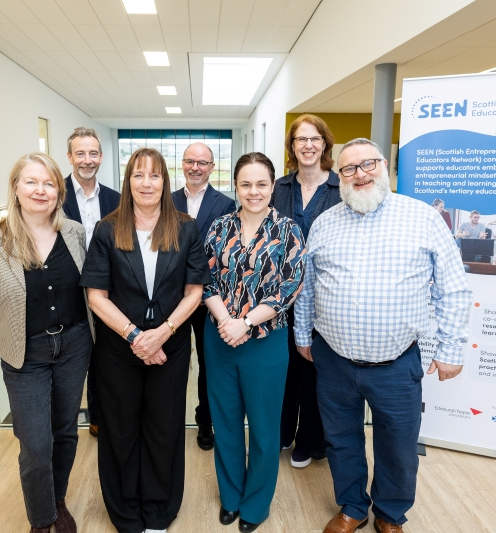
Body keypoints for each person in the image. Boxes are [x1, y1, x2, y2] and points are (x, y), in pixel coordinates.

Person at [294, 138, 471, 533]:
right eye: (349, 169)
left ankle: (390, 515)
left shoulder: (422, 218)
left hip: (396, 363)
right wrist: (303, 335)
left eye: (367, 164)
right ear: (338, 176)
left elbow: (453, 288)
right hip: (334, 360)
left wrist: (452, 348)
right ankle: (353, 507)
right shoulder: (325, 223)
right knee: (342, 441)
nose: (359, 175)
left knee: (399, 448)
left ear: (385, 165)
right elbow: (307, 288)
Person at [80, 147, 210, 533]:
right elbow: (95, 296)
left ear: (165, 181)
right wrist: (137, 337)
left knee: (164, 427)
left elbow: (195, 291)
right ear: (128, 182)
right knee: (120, 429)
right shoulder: (108, 228)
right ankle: (125, 510)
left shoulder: (185, 227)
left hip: (170, 346)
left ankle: (159, 508)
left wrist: (163, 333)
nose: (147, 183)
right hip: (119, 349)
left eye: (154, 175)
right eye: (138, 175)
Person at [0, 152, 94, 533]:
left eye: (49, 183)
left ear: (59, 191)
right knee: (36, 444)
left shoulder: (74, 232)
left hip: (75, 346)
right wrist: (5, 338)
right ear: (16, 189)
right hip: (26, 354)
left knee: (66, 432)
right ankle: (41, 520)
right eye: (31, 182)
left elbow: (88, 290)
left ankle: (57, 500)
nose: (40, 190)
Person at [204, 152, 305, 532]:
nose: (253, 191)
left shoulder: (289, 231)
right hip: (221, 341)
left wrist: (245, 322)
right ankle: (230, 497)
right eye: (245, 184)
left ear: (273, 185)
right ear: (235, 186)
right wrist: (227, 321)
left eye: (261, 184)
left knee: (264, 430)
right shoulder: (218, 227)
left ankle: (255, 505)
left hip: (265, 344)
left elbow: (289, 287)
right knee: (226, 423)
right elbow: (205, 279)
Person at [272, 114, 340, 470]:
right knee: (284, 370)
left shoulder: (341, 189)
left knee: (316, 372)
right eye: (301, 139)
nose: (308, 146)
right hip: (280, 301)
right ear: (292, 146)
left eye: (314, 139)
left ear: (325, 145)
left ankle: (310, 440)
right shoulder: (279, 188)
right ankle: (281, 432)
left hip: (326, 300)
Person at [171, 141, 236, 451]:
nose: (195, 167)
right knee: (173, 360)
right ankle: (168, 421)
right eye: (189, 161)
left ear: (212, 167)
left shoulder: (226, 204)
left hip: (211, 298)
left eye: (202, 162)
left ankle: (205, 422)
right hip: (172, 297)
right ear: (182, 165)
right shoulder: (165, 201)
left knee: (209, 363)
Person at [62, 127, 121, 439]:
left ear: (101, 156)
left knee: (103, 359)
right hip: (65, 292)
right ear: (70, 157)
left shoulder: (116, 199)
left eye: (93, 153)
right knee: (72, 361)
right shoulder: (53, 195)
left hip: (106, 291)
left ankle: (99, 419)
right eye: (80, 153)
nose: (87, 160)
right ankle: (64, 428)